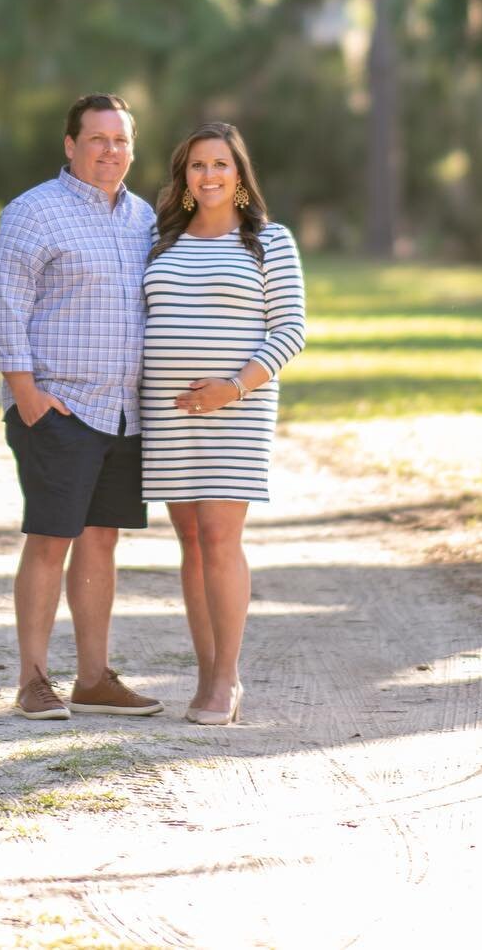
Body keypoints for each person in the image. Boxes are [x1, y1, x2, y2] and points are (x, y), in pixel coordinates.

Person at [0, 92, 163, 722]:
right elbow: (4, 305)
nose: (111, 152)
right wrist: (28, 396)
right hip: (59, 406)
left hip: (123, 411)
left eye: (121, 141)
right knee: (49, 538)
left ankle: (94, 678)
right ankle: (33, 679)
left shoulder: (144, 218)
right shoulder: (35, 212)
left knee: (101, 539)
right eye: (98, 140)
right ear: (70, 145)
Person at [141, 121, 306, 725]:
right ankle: (206, 671)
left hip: (237, 408)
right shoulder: (160, 241)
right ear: (183, 178)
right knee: (189, 542)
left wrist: (232, 388)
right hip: (167, 413)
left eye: (220, 165)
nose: (208, 176)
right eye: (196, 166)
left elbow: (290, 331)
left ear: (239, 175)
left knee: (219, 538)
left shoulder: (268, 241)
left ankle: (227, 679)